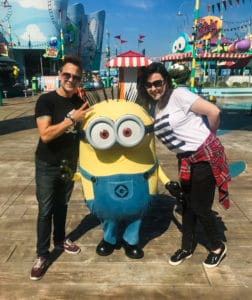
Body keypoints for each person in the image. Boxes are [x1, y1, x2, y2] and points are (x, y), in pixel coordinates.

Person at [137, 62, 231, 268]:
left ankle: (217, 246)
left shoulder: (178, 95)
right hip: (186, 160)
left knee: (200, 206)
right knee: (187, 204)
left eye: (158, 83)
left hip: (204, 156)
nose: (154, 88)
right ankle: (187, 247)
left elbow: (214, 112)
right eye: (149, 85)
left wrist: (210, 138)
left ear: (166, 81)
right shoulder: (157, 107)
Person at [30, 54, 90, 280]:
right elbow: (45, 135)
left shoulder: (79, 102)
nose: (71, 79)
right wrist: (71, 120)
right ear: (59, 75)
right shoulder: (46, 101)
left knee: (62, 205)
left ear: (80, 80)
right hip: (46, 163)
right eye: (67, 74)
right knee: (45, 210)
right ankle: (42, 255)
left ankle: (60, 239)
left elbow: (86, 130)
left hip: (68, 163)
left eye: (76, 77)